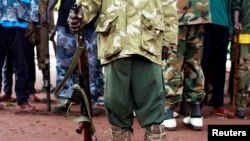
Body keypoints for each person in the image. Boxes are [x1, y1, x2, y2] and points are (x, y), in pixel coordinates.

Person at [68, 0, 178, 140]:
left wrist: (168, 40)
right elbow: (88, 3)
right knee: (116, 110)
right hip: (115, 45)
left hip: (148, 45)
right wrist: (79, 15)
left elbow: (168, 6)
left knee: (154, 113)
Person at [44, 0, 105, 114]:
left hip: (92, 25)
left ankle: (90, 102)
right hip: (65, 24)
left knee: (92, 64)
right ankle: (64, 100)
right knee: (63, 64)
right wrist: (48, 11)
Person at [161, 0, 209, 131]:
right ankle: (196, 113)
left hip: (175, 12)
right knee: (194, 62)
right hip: (199, 13)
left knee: (173, 62)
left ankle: (168, 112)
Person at [0, 0, 39, 111]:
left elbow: (34, 1)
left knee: (22, 65)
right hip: (1, 22)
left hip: (20, 24)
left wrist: (32, 22)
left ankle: (22, 100)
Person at [201, 0, 234, 118]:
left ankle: (218, 104)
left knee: (220, 66)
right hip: (204, 23)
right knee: (202, 63)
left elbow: (230, 5)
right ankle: (196, 103)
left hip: (223, 24)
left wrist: (230, 28)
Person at [232, 0, 250, 119]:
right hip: (246, 34)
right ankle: (240, 107)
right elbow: (236, 4)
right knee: (244, 73)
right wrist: (236, 22)